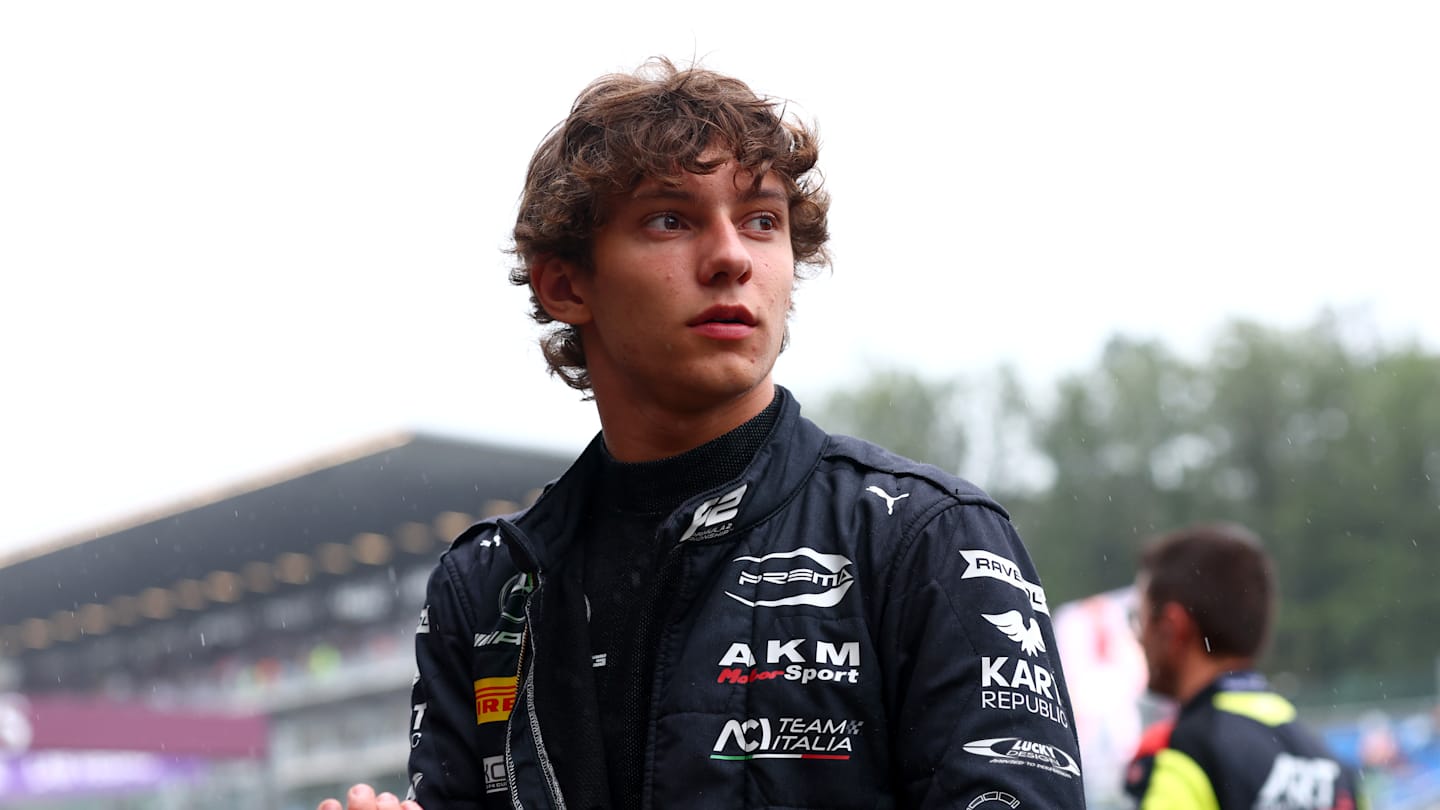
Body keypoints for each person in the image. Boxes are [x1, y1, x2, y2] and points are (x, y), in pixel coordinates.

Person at [320, 57, 1085, 810]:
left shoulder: (927, 538)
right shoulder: (486, 585)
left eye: (762, 221)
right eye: (670, 219)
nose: (730, 259)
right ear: (566, 284)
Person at [1123, 523, 1367, 809]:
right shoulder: (1334, 767)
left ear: (1172, 627)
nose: (1138, 638)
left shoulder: (1183, 751)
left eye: (1138, 619)